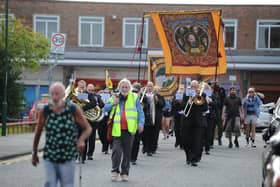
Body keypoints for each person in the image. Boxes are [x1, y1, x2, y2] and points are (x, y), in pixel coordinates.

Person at [31, 82, 92, 187]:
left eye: (57, 94)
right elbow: (38, 130)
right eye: (53, 94)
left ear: (64, 94)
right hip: (50, 154)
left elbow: (87, 128)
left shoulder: (74, 107)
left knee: (67, 184)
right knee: (50, 184)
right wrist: (34, 151)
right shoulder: (46, 110)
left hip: (67, 155)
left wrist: (81, 140)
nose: (55, 97)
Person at [104, 78, 144, 182]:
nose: (125, 89)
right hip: (117, 129)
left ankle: (125, 172)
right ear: (119, 88)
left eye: (126, 87)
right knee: (116, 152)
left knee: (127, 153)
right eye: (123, 87)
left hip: (130, 130)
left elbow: (140, 112)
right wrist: (113, 103)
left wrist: (141, 123)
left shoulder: (134, 97)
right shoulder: (115, 96)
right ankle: (115, 171)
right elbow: (105, 108)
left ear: (129, 88)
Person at [181, 80, 208, 166]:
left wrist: (200, 98)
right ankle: (188, 156)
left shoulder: (202, 94)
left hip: (198, 122)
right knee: (186, 141)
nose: (194, 88)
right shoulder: (186, 94)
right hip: (187, 121)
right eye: (192, 86)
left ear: (198, 87)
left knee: (197, 141)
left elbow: (205, 109)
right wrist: (189, 102)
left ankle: (194, 159)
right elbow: (182, 106)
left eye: (195, 87)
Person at [83, 83, 105, 160]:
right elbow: (78, 103)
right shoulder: (83, 94)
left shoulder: (97, 96)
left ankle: (90, 154)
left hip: (93, 120)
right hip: (85, 120)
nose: (91, 91)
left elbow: (102, 104)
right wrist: (90, 106)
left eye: (92, 90)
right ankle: (83, 154)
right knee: (84, 138)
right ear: (86, 89)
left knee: (92, 138)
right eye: (89, 90)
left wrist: (96, 106)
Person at [130, 82, 145, 164]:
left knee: (136, 142)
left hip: (137, 122)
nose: (134, 93)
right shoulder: (129, 97)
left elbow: (142, 112)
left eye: (136, 91)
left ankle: (133, 158)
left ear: (139, 91)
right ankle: (128, 156)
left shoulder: (144, 97)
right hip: (129, 123)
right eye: (133, 91)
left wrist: (141, 123)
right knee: (129, 142)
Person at [172, 84, 185, 148]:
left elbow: (186, 105)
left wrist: (182, 102)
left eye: (182, 88)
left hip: (183, 114)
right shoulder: (175, 95)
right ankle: (177, 141)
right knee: (176, 129)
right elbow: (173, 105)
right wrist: (178, 102)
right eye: (180, 88)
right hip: (177, 114)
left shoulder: (186, 95)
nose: (181, 90)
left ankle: (182, 143)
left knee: (182, 129)